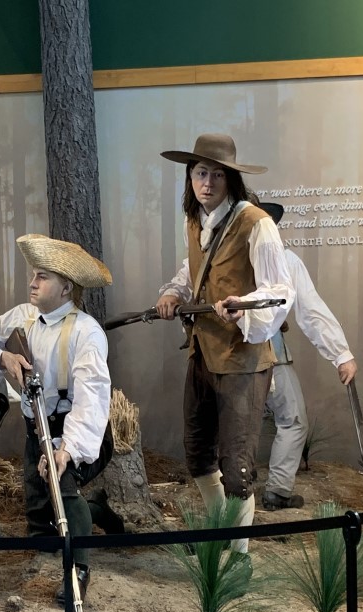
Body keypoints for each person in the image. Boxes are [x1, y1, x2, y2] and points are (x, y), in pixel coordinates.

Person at [154, 134, 295, 553]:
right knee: (197, 454)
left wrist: (243, 306)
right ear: (190, 177)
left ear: (231, 178)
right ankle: (221, 530)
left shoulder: (256, 223)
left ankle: (239, 556)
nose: (208, 182)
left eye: (217, 174)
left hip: (242, 360)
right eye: (201, 173)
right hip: (202, 352)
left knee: (237, 468)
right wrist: (174, 292)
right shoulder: (195, 220)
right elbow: (194, 268)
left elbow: (279, 291)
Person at [0, 234, 112, 604]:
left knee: (63, 485)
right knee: (41, 533)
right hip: (36, 432)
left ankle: (79, 571)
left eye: (42, 277)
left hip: (76, 431)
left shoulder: (86, 332)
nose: (33, 282)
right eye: (34, 275)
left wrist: (66, 450)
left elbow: (91, 400)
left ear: (66, 288)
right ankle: (98, 511)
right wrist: (2, 358)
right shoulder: (21, 317)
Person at [256, 204, 357, 510]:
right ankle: (276, 490)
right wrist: (340, 354)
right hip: (266, 355)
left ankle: (233, 493)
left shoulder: (222, 262)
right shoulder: (284, 260)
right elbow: (310, 311)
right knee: (292, 419)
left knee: (236, 425)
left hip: (228, 358)